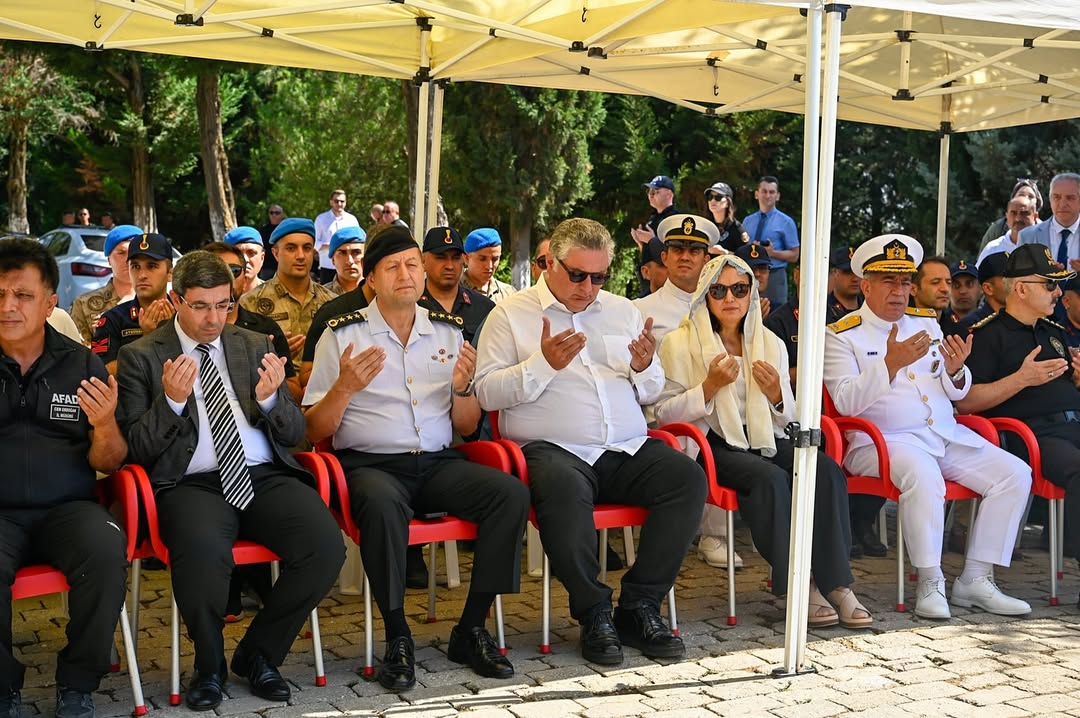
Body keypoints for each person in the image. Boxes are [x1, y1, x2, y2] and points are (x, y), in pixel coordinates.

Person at [116, 251, 344, 711]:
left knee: (325, 547)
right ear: (177, 299)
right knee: (203, 554)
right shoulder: (140, 356)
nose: (213, 318)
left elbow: (297, 435)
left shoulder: (254, 345)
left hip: (262, 473)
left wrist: (271, 403)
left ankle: (258, 653)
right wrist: (173, 403)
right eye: (201, 306)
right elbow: (135, 451)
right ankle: (209, 664)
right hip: (191, 481)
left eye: (223, 305)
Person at [475, 218, 707, 665]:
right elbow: (486, 391)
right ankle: (594, 611)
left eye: (598, 276)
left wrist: (643, 368)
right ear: (550, 264)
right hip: (552, 448)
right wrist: (542, 365)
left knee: (686, 478)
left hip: (625, 447)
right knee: (561, 489)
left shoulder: (623, 310)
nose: (587, 287)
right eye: (577, 274)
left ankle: (639, 606)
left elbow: (652, 390)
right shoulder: (511, 314)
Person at [303, 227, 527, 690]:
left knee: (509, 494)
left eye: (411, 265)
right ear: (372, 278)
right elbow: (313, 430)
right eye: (392, 267)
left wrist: (464, 386)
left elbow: (466, 426)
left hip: (437, 462)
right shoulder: (341, 335)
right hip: (370, 465)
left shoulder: (447, 330)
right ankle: (397, 634)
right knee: (383, 507)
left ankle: (471, 628)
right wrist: (344, 387)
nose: (405, 275)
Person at [655, 254, 872, 629]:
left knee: (824, 469)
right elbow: (662, 415)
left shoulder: (769, 341)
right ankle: (797, 584)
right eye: (718, 290)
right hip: (711, 443)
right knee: (768, 480)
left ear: (751, 294)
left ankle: (837, 584)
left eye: (739, 289)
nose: (729, 298)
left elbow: (787, 419)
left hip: (764, 437)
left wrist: (775, 395)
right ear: (705, 295)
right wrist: (708, 388)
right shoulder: (678, 343)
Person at [823, 234, 1032, 619]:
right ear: (866, 285)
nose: (899, 291)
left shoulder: (927, 324)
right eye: (889, 281)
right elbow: (846, 403)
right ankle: (930, 580)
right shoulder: (841, 334)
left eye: (905, 282)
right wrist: (889, 364)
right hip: (882, 442)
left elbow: (952, 389)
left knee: (1015, 473)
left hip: (941, 433)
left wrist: (955, 370)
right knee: (924, 475)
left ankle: (976, 578)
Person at [0, 239, 128, 718]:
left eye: (22, 294)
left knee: (105, 547)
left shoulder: (82, 364)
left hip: (67, 509)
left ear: (50, 302)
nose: (8, 306)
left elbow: (111, 462)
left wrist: (105, 423)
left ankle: (77, 683)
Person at [954, 244, 1080, 595]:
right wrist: (1021, 379)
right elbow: (965, 403)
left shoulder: (1053, 331)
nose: (1058, 292)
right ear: (1022, 288)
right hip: (1032, 436)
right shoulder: (986, 334)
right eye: (1049, 284)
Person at [633, 215, 743, 570]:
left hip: (719, 403)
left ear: (706, 258)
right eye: (677, 248)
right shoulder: (640, 311)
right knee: (702, 427)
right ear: (663, 257)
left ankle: (721, 530)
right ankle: (710, 532)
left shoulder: (721, 303)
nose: (685, 256)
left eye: (695, 250)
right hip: (660, 411)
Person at [202, 242, 300, 403]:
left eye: (234, 271)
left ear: (245, 277)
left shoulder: (265, 329)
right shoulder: (184, 328)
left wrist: (268, 377)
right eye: (216, 271)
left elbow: (296, 395)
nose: (226, 278)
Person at [239, 218, 337, 371]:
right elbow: (238, 357)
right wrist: (271, 354)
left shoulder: (332, 302)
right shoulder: (250, 303)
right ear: (276, 253)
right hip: (272, 390)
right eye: (291, 248)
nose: (300, 256)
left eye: (307, 248)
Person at [90, 232, 174, 374]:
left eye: (152, 266)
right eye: (135, 266)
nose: (142, 275)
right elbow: (101, 374)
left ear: (170, 273)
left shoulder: (184, 314)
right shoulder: (112, 320)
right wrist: (147, 340)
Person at [419, 226, 495, 346]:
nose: (449, 266)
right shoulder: (410, 306)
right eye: (441, 258)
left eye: (455, 258)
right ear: (423, 261)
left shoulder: (484, 307)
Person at [70, 224, 140, 345]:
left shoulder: (156, 300)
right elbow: (78, 353)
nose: (129, 259)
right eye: (121, 253)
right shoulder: (84, 304)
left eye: (134, 252)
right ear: (109, 260)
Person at [741, 176, 799, 305]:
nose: (768, 195)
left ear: (777, 196)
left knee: (775, 316)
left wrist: (773, 253)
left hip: (774, 276)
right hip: (749, 273)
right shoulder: (747, 221)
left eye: (772, 192)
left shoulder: (786, 222)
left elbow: (795, 255)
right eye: (764, 191)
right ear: (757, 194)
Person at [1019, 173, 1080, 271]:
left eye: (1070, 198)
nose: (1063, 204)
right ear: (1050, 200)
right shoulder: (1027, 237)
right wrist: (1041, 275)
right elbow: (1018, 279)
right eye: (1057, 197)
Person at [980, 179, 1043, 251]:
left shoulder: (1045, 233)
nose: (1025, 198)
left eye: (1031, 196)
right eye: (1021, 195)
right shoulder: (998, 229)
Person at [314, 190, 360, 284]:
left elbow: (358, 242)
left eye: (342, 201)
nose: (339, 204)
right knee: (327, 296)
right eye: (336, 201)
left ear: (346, 202)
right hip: (327, 266)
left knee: (347, 296)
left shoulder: (351, 219)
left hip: (347, 265)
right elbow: (314, 242)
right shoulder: (321, 219)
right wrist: (330, 246)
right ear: (331, 202)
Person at [978, 194, 1037, 266]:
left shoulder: (1047, 245)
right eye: (1013, 213)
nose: (1018, 219)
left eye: (1024, 213)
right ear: (1007, 216)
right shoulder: (992, 250)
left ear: (1035, 216)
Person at [958, 252, 1010, 333]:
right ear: (988, 288)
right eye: (1008, 279)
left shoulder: (1028, 320)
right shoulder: (971, 326)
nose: (1016, 284)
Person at [461, 228, 516, 304]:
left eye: (494, 259)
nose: (489, 266)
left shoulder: (508, 294)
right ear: (466, 258)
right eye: (482, 259)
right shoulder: (451, 290)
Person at [703, 182, 750, 252]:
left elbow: (747, 257)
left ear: (727, 203)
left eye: (718, 197)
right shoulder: (706, 227)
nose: (713, 200)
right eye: (710, 197)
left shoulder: (737, 229)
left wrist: (725, 253)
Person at [222, 226, 265, 297]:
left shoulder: (276, 297)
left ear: (262, 258)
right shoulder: (212, 296)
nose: (245, 260)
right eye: (238, 253)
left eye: (251, 253)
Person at [323, 226, 366, 296]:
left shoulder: (379, 293)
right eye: (342, 253)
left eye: (356, 253)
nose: (350, 261)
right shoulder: (320, 297)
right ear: (333, 260)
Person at [735, 242, 771, 318]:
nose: (757, 274)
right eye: (750, 268)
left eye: (762, 267)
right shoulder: (727, 308)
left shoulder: (779, 313)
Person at [258, 205, 286, 280]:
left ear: (282, 215)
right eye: (271, 213)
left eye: (277, 213)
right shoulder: (263, 230)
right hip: (267, 268)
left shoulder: (286, 230)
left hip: (284, 267)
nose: (274, 215)